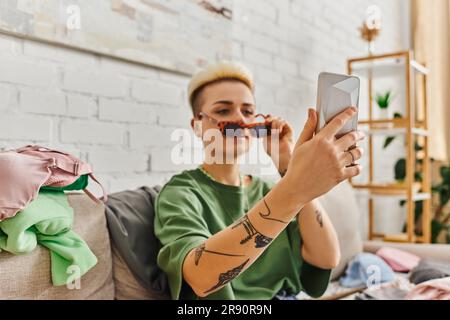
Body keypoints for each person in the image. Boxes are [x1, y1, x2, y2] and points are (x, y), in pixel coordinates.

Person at [154, 61, 365, 300]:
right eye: (223, 111)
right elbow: (200, 277)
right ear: (198, 126)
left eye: (247, 111)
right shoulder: (180, 193)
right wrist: (294, 186)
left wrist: (287, 166)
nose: (241, 121)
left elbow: (326, 258)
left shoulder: (268, 189)